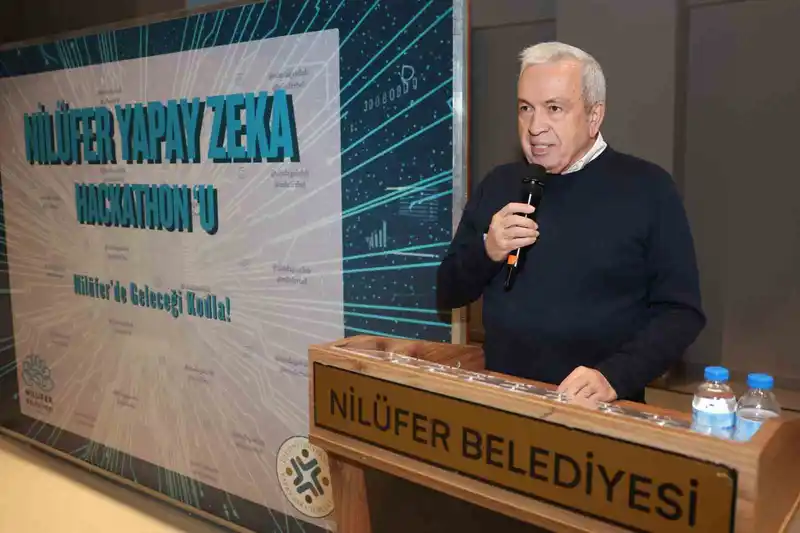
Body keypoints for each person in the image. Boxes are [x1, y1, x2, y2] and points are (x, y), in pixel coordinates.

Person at [436, 42, 705, 403]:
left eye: (554, 108)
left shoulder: (648, 189)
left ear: (594, 116)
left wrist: (615, 376)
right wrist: (487, 250)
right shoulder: (500, 184)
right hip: (503, 403)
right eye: (526, 108)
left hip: (598, 410)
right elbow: (448, 292)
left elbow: (681, 313)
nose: (535, 127)